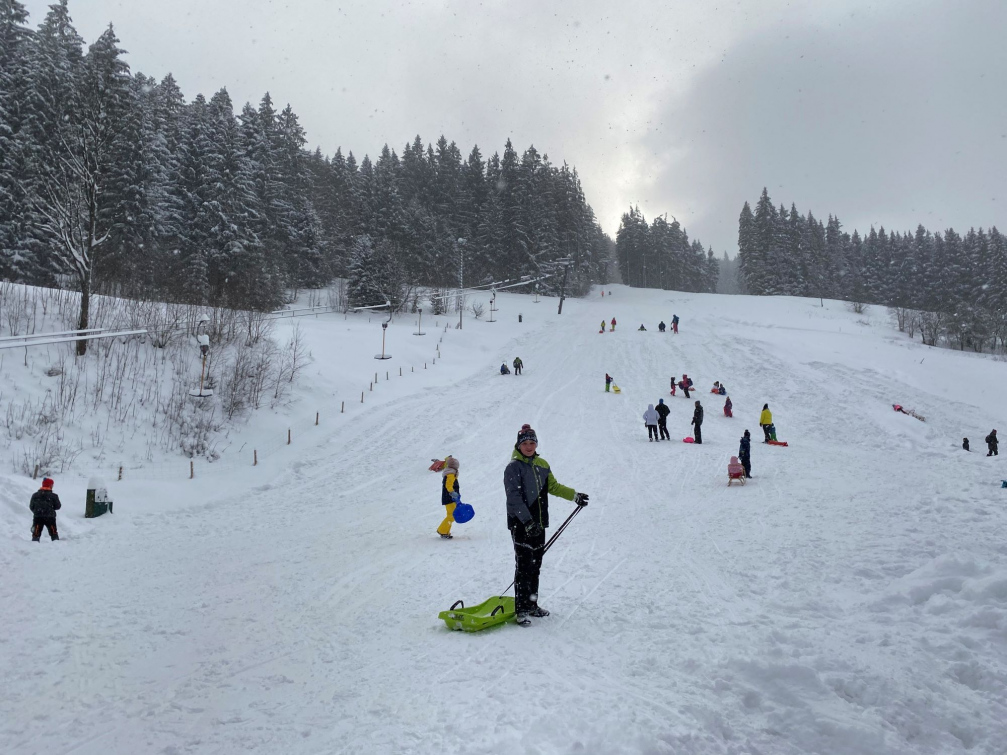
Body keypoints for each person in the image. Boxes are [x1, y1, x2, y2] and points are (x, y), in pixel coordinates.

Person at [505, 424, 588, 625]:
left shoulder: (542, 464)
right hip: (521, 524)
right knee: (524, 566)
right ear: (518, 445)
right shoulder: (513, 467)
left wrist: (574, 496)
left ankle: (532, 605)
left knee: (535, 565)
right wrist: (527, 521)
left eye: (532, 442)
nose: (529, 446)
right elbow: (513, 498)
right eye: (525, 443)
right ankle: (522, 609)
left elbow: (553, 486)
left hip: (540, 523)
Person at [30, 477, 61, 542]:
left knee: (36, 533)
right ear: (50, 485)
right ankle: (56, 545)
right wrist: (51, 508)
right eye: (52, 485)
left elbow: (31, 507)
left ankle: (33, 546)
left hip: (38, 517)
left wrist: (37, 511)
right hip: (50, 517)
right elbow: (58, 506)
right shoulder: (53, 496)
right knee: (53, 533)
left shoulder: (35, 495)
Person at [437, 456, 460, 539]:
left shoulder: (450, 472)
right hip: (449, 498)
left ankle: (445, 531)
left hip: (449, 498)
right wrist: (452, 492)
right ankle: (442, 531)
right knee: (451, 515)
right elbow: (448, 485)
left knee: (451, 515)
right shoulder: (450, 474)